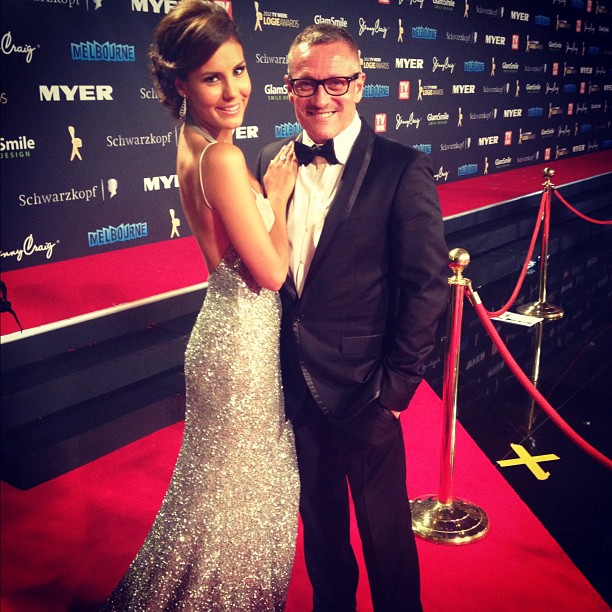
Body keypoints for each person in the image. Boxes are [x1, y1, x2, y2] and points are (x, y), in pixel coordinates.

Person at [102, 1, 299, 610]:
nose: (235, 89)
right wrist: (277, 198)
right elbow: (271, 272)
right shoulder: (223, 158)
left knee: (214, 491)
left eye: (238, 70)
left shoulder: (194, 142)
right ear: (181, 83)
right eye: (213, 77)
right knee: (242, 492)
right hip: (241, 343)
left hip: (225, 332)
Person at [255, 24, 449, 612]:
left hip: (368, 390)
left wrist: (396, 390)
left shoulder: (401, 168)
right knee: (321, 532)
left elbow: (426, 287)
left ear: (360, 85)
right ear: (289, 87)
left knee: (385, 538)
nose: (321, 97)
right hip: (295, 386)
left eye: (335, 82)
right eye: (305, 84)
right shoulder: (269, 161)